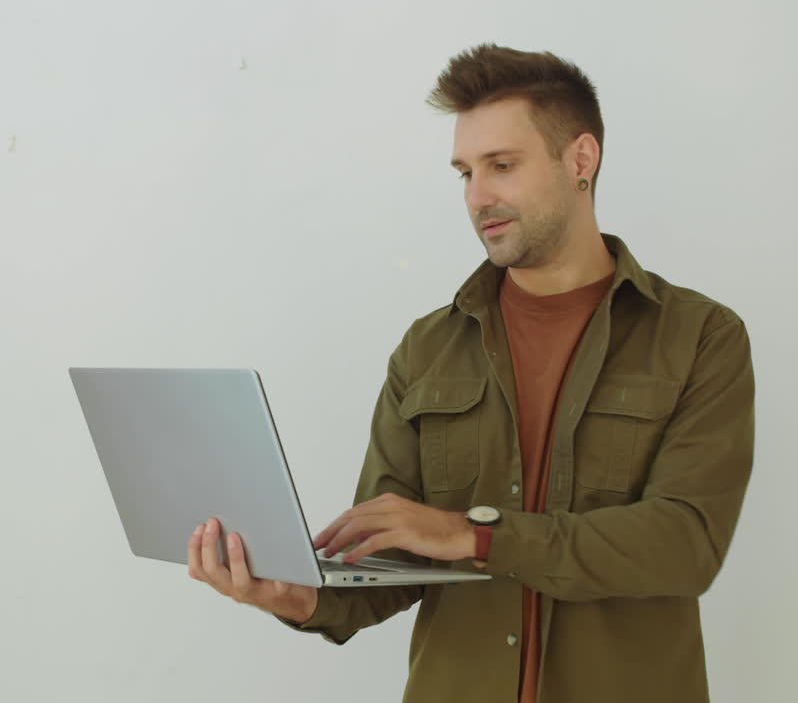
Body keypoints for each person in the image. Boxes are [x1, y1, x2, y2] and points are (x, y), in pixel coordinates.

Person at [185, 42, 756, 703]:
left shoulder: (698, 337)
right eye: (464, 172)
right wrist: (294, 596)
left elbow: (685, 545)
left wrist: (476, 536)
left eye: (502, 166)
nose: (478, 196)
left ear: (581, 159)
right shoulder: (427, 349)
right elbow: (392, 564)